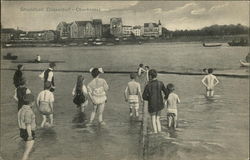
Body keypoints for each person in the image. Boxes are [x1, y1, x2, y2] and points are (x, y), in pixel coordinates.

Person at [142, 69, 169, 134]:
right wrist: (164, 101)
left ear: (150, 76)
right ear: (156, 75)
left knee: (153, 119)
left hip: (152, 104)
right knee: (158, 119)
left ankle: (155, 133)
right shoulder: (161, 83)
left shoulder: (148, 85)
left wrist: (149, 98)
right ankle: (159, 131)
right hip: (160, 104)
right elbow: (167, 93)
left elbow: (144, 97)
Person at [17, 94, 36, 160]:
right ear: (31, 103)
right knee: (27, 151)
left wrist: (21, 130)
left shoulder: (20, 109)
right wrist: (30, 135)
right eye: (34, 101)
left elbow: (19, 120)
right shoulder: (28, 111)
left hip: (22, 130)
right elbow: (28, 124)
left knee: (26, 147)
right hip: (28, 132)